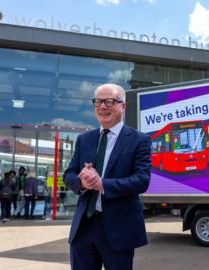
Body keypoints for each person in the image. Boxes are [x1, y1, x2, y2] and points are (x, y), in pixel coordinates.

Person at [64, 83, 151, 270]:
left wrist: (102, 184)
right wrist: (83, 182)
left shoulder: (139, 140)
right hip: (84, 228)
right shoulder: (84, 139)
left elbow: (141, 180)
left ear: (123, 106)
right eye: (98, 102)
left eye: (109, 101)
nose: (103, 107)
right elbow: (68, 175)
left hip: (119, 229)